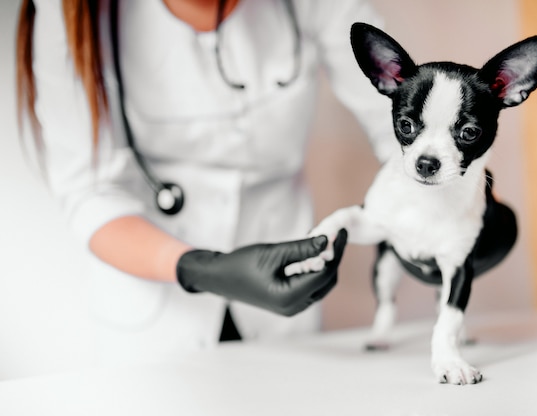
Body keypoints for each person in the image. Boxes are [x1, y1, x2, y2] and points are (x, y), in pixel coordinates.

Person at [16, 0, 395, 364]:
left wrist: (422, 213)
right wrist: (201, 268)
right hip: (154, 322)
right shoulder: (70, 12)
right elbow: (89, 190)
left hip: (285, 317)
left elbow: (400, 125)